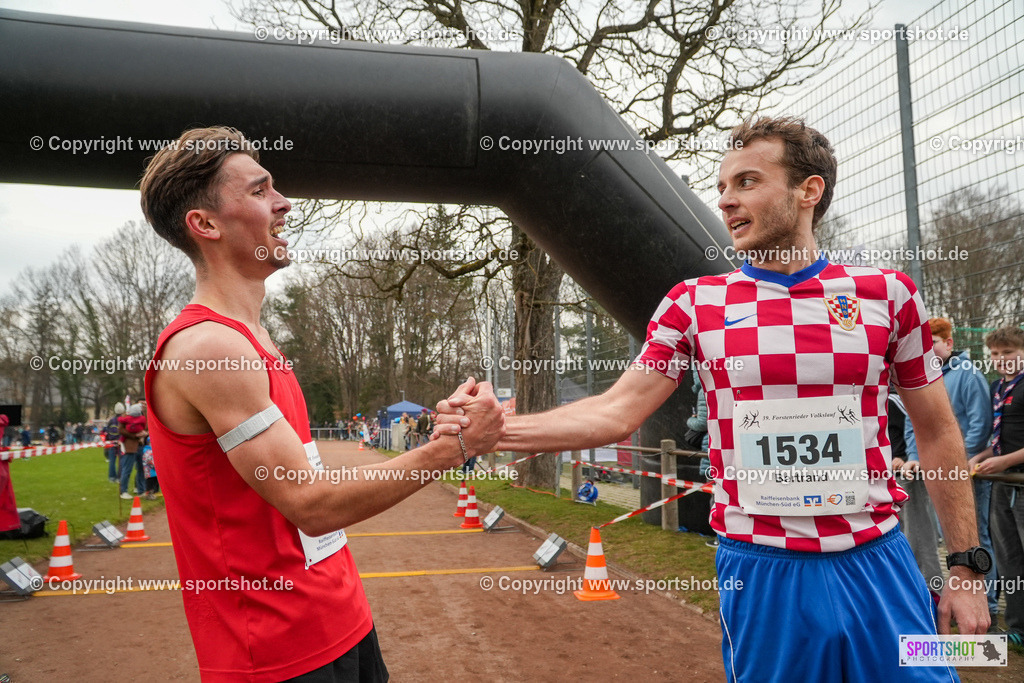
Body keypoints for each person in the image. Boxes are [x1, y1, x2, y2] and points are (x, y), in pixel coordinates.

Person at [438, 116, 989, 680]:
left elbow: (937, 430)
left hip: (878, 561)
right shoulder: (694, 304)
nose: (725, 200)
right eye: (722, 187)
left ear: (808, 191)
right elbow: (616, 410)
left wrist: (966, 568)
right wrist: (495, 431)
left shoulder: (888, 295)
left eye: (747, 182)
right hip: (762, 571)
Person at [140, 125, 504, 682]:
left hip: (341, 615)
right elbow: (311, 503)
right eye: (260, 190)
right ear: (205, 224)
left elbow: (305, 485)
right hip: (276, 651)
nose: (284, 203)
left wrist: (443, 435)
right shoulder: (208, 347)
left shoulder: (255, 340)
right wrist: (453, 450)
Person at [899, 318, 995, 617]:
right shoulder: (922, 377)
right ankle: (956, 606)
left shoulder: (968, 374)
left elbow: (980, 423)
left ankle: (988, 607)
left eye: (934, 344)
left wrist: (961, 461)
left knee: (975, 538)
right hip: (935, 473)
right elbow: (913, 423)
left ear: (949, 343)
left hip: (967, 471)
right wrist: (915, 455)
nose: (927, 350)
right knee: (947, 537)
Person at [969, 325, 1024, 645]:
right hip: (1003, 484)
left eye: (1009, 352)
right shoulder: (997, 387)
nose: (1001, 358)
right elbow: (999, 441)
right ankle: (1017, 628)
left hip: (1019, 479)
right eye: (995, 353)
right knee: (1008, 557)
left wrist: (1004, 461)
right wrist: (979, 458)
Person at [118, 403, 147, 499]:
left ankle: (141, 490)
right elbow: (121, 430)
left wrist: (144, 433)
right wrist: (135, 435)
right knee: (127, 469)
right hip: (129, 446)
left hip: (140, 446)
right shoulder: (125, 418)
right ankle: (123, 491)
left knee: (141, 469)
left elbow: (146, 428)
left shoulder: (143, 417)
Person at [105, 403, 125, 482]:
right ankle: (119, 477)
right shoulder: (123, 420)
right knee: (121, 461)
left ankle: (111, 477)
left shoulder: (111, 420)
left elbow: (107, 430)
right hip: (121, 442)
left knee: (112, 461)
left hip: (111, 442)